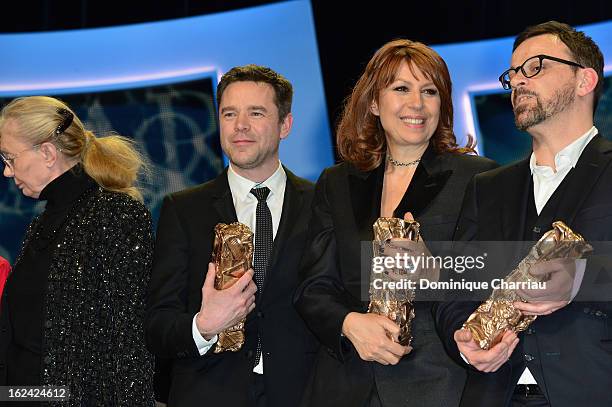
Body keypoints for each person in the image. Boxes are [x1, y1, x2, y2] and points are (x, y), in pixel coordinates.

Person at [294, 39, 498, 407]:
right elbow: (314, 286)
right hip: (345, 387)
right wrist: (349, 323)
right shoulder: (336, 183)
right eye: (401, 88)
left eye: (429, 91)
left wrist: (431, 271)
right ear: (374, 102)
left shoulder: (478, 179)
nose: (416, 104)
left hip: (438, 386)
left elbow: (489, 279)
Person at [434, 21, 612, 407]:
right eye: (512, 74)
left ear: (585, 80)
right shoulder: (487, 186)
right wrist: (463, 342)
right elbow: (455, 287)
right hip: (495, 394)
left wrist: (585, 278)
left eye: (536, 67)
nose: (518, 81)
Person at [146, 64, 318, 407]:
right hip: (210, 392)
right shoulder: (183, 210)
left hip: (304, 393)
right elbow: (157, 326)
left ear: (285, 124)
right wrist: (204, 325)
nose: (240, 125)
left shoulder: (322, 204)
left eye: (256, 113)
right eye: (229, 113)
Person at [0, 96, 155, 405]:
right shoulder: (41, 224)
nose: (6, 172)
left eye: (9, 158)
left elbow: (129, 344)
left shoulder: (116, 215)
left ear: (46, 152)